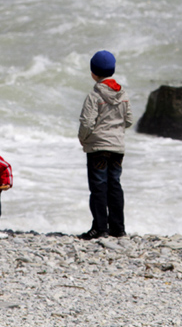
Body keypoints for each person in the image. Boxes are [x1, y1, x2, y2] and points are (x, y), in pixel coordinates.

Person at [78, 50, 133, 240]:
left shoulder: (94, 95)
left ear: (93, 72)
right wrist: (116, 131)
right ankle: (118, 228)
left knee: (99, 187)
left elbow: (87, 123)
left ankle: (100, 228)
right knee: (115, 185)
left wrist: (83, 139)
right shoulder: (123, 93)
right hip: (117, 147)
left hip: (98, 148)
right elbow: (129, 120)